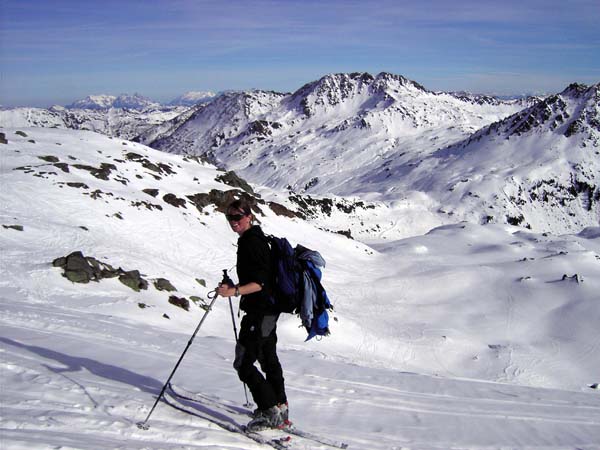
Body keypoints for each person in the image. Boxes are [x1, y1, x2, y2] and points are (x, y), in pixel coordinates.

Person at [216, 199, 289, 430]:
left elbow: (260, 283)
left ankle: (269, 412)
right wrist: (236, 286)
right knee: (268, 358)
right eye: (230, 217)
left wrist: (234, 291)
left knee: (243, 362)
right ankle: (280, 406)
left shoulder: (252, 243)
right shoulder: (254, 239)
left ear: (249, 216)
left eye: (237, 217)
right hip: (269, 311)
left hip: (259, 312)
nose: (233, 222)